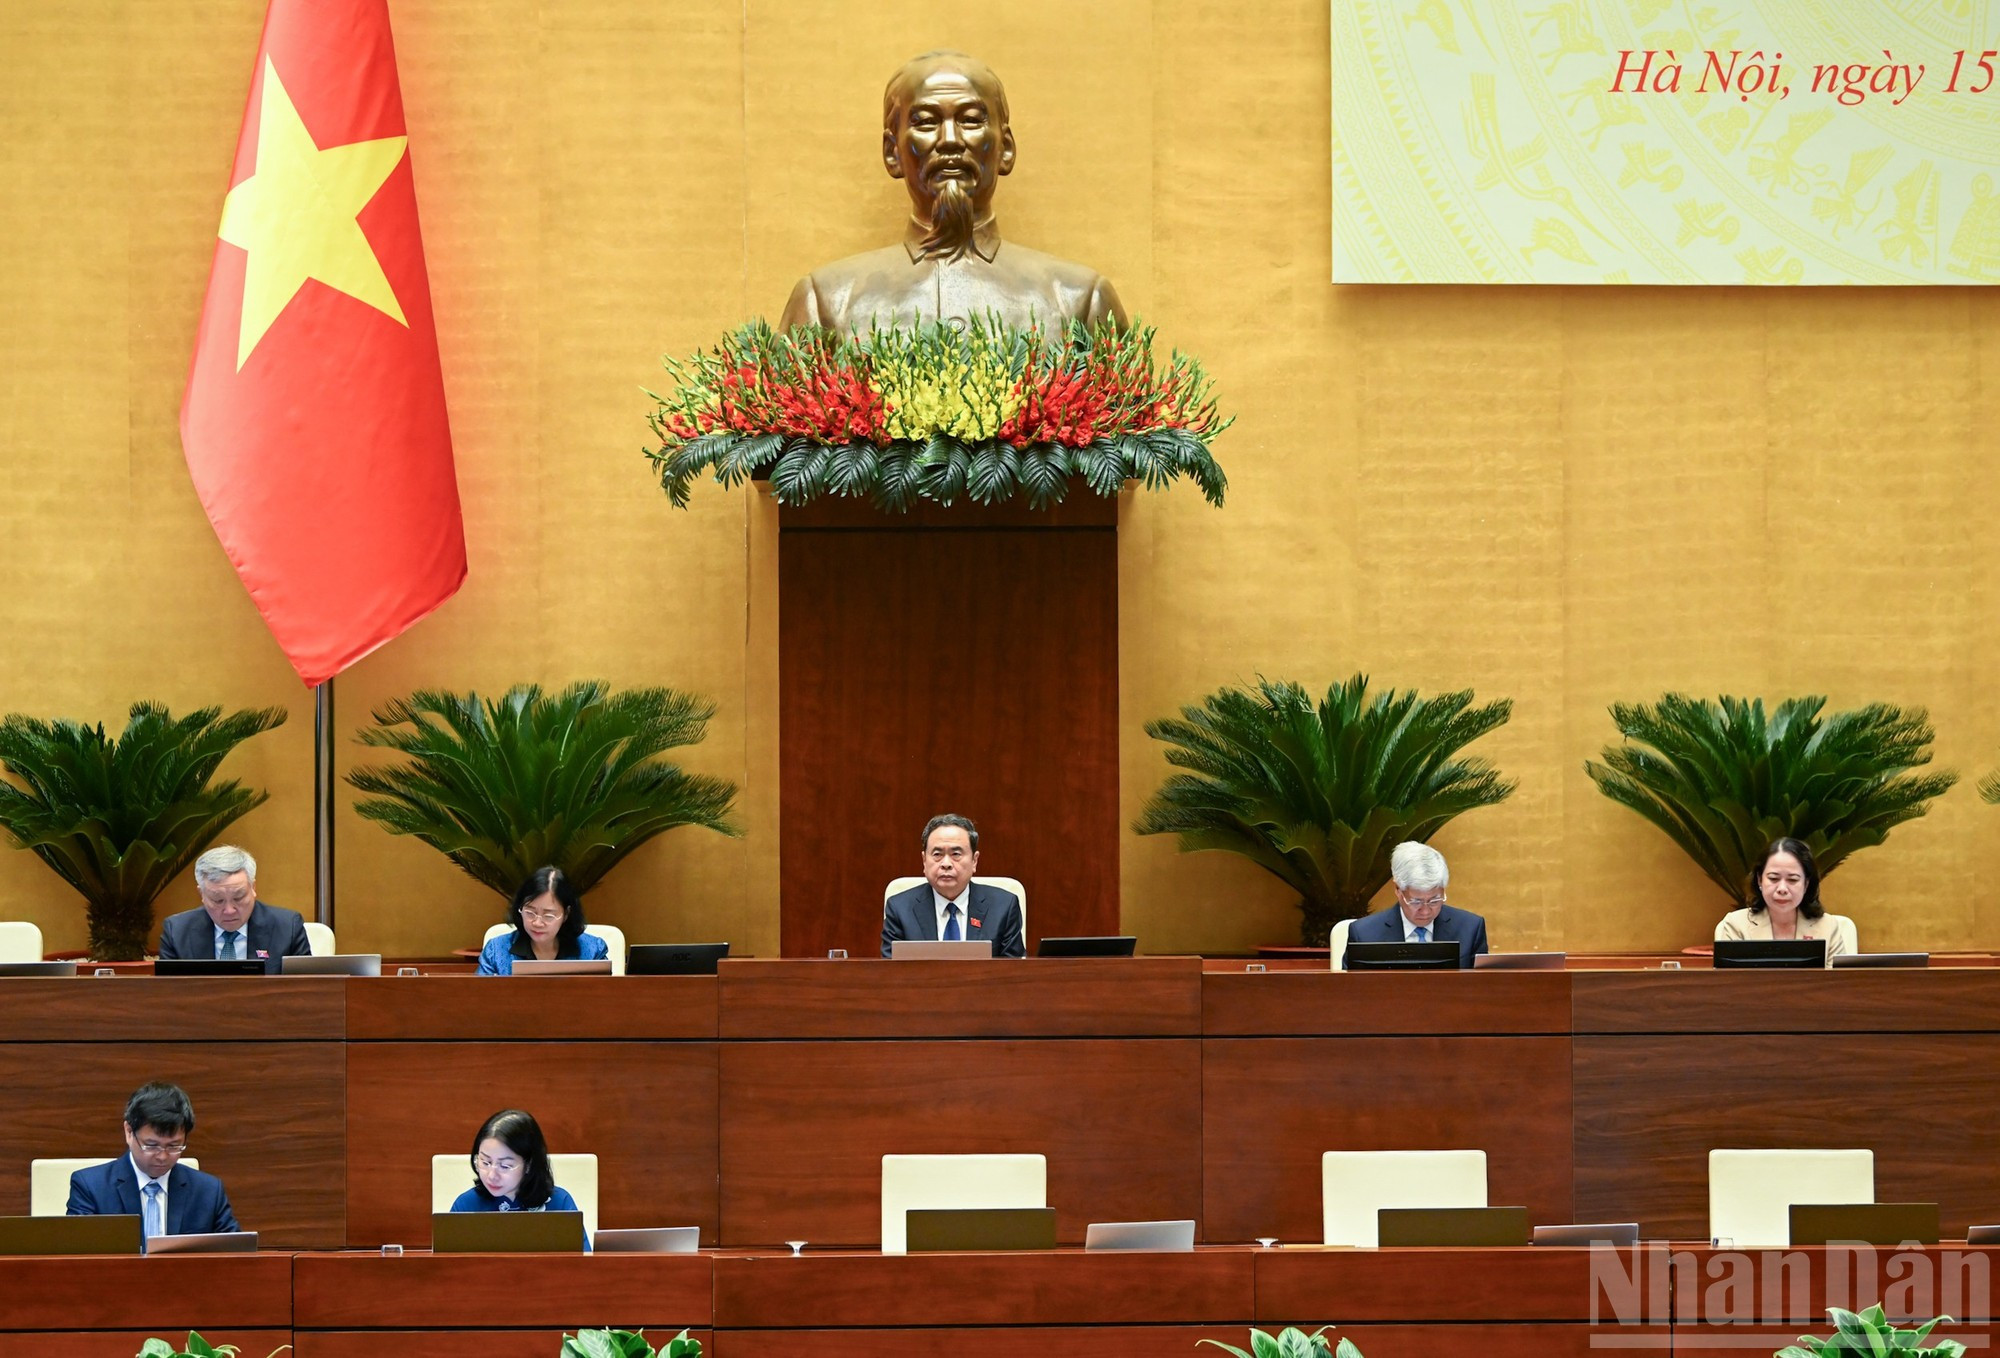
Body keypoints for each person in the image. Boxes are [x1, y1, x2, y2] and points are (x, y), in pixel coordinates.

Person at [780, 50, 1127, 336]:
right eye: (926, 122)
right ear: (892, 152)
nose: (950, 140)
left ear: (1005, 148)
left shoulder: (1079, 300)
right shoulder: (826, 302)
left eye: (972, 120)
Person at [66, 1081, 240, 1241]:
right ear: (128, 1131)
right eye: (151, 1145)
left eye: (174, 1146)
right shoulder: (90, 1187)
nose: (162, 1156)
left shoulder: (208, 1191)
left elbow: (237, 1254)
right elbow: (78, 1256)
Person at [881, 813, 1025, 957]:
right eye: (937, 854)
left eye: (956, 854)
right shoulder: (900, 909)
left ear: (974, 861)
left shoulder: (1003, 906)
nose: (946, 864)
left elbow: (1014, 973)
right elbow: (890, 974)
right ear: (924, 860)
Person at [156, 844, 311, 973]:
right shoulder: (177, 932)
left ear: (253, 887)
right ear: (201, 894)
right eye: (218, 900)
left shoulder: (287, 928)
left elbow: (308, 992)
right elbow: (167, 996)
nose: (229, 910)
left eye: (239, 898)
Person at [449, 1108, 590, 1249]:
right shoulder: (466, 1206)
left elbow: (584, 1265)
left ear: (529, 1164)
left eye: (505, 1166)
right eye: (485, 1162)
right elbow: (447, 1267)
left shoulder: (559, 1204)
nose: (492, 1175)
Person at [1343, 841, 1490, 968]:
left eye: (1434, 900)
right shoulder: (1364, 934)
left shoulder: (1471, 929)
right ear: (1398, 890)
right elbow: (1349, 992)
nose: (1425, 911)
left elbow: (1483, 989)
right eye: (1416, 901)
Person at [1715, 837, 1856, 965]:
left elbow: (1839, 986)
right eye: (1773, 878)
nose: (1782, 888)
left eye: (1792, 880)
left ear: (1806, 884)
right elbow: (1728, 986)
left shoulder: (1828, 927)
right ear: (1759, 879)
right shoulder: (1736, 925)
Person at [477, 865, 611, 975]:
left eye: (548, 915)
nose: (537, 923)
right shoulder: (496, 950)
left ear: (566, 914)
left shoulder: (593, 950)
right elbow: (478, 1000)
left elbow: (607, 1000)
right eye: (530, 912)